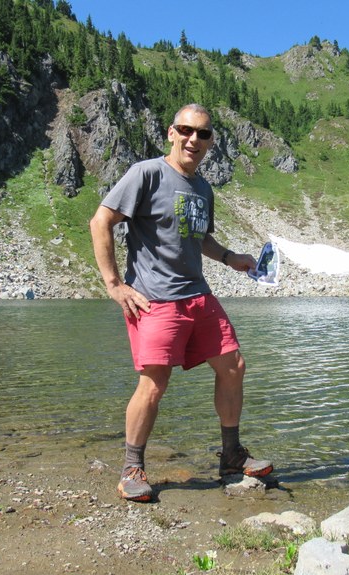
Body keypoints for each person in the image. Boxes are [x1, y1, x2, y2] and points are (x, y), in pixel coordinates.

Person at [89, 103, 273, 502]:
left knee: (233, 365)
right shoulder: (147, 174)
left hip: (197, 294)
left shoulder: (203, 188)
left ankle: (230, 456)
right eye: (186, 130)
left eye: (203, 134)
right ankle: (132, 468)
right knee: (155, 383)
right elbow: (100, 221)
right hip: (155, 299)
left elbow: (200, 237)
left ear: (209, 142)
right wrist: (114, 284)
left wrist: (230, 258)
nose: (194, 139)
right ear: (171, 133)